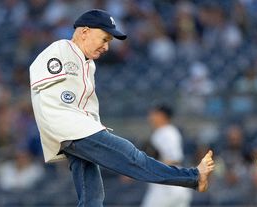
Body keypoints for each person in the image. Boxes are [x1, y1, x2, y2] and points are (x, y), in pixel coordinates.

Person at [29, 9, 215, 207]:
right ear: (84, 32)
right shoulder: (62, 49)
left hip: (73, 130)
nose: (107, 47)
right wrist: (84, 127)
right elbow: (43, 88)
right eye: (104, 38)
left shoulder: (87, 63)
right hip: (70, 127)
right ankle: (193, 177)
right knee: (132, 157)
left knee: (92, 196)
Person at [141, 105, 192, 207]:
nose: (150, 117)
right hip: (177, 186)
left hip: (166, 188)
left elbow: (175, 159)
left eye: (154, 114)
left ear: (161, 115)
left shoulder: (166, 132)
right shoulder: (166, 132)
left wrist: (147, 165)